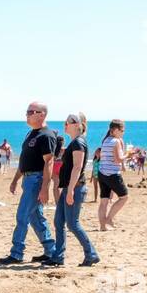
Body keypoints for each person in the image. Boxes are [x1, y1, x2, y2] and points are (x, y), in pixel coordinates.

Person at [0, 101, 58, 265]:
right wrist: (15, 180)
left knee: (22, 215)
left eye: (31, 111)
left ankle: (17, 253)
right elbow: (25, 161)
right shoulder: (31, 134)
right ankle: (50, 251)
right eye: (27, 111)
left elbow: (49, 162)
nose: (27, 114)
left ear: (42, 114)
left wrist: (45, 187)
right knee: (35, 217)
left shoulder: (46, 135)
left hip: (37, 180)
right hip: (28, 178)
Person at [53, 112, 99, 267]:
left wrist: (71, 189)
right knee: (58, 221)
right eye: (65, 121)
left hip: (76, 187)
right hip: (68, 187)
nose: (65, 124)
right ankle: (58, 256)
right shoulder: (74, 142)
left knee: (73, 224)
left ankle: (91, 254)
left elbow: (78, 167)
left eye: (68, 122)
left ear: (77, 125)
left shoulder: (79, 142)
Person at [96, 119, 129, 230]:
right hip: (112, 174)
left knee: (104, 201)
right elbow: (118, 159)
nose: (123, 133)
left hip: (102, 173)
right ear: (115, 130)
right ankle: (109, 218)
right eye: (122, 130)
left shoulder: (105, 140)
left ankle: (102, 226)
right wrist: (128, 154)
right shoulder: (116, 141)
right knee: (124, 197)